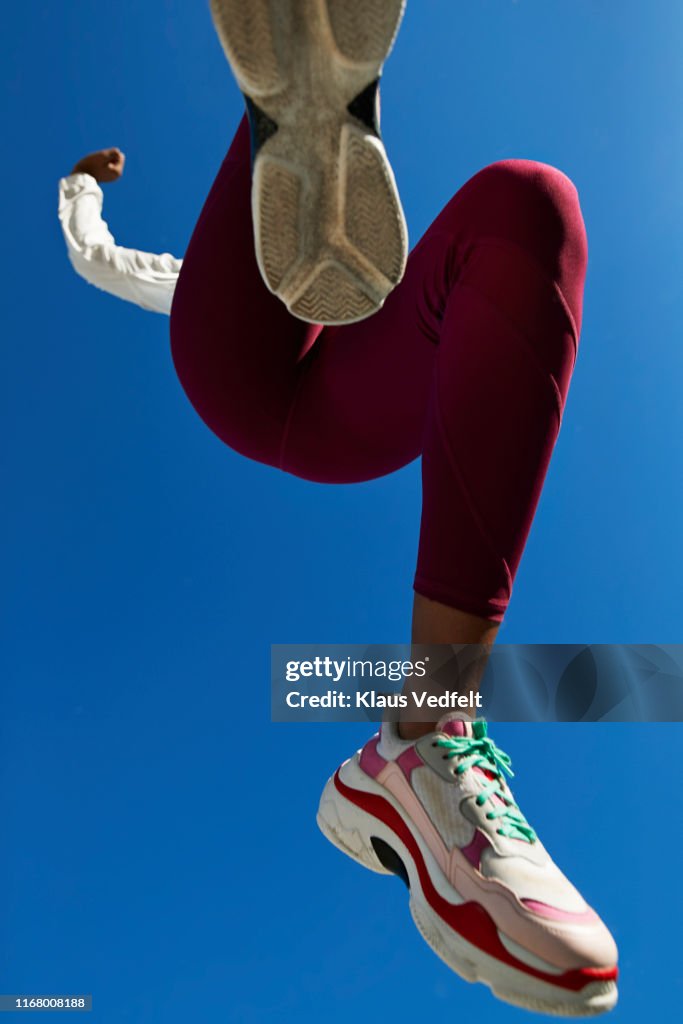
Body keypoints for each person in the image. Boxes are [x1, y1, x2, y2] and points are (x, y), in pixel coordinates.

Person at [58, 0, 618, 1014]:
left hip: (347, 405)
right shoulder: (198, 280)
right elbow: (93, 259)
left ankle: (418, 734)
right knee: (284, 155)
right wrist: (80, 189)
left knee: (525, 206)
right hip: (237, 373)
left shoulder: (371, 276)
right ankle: (431, 727)